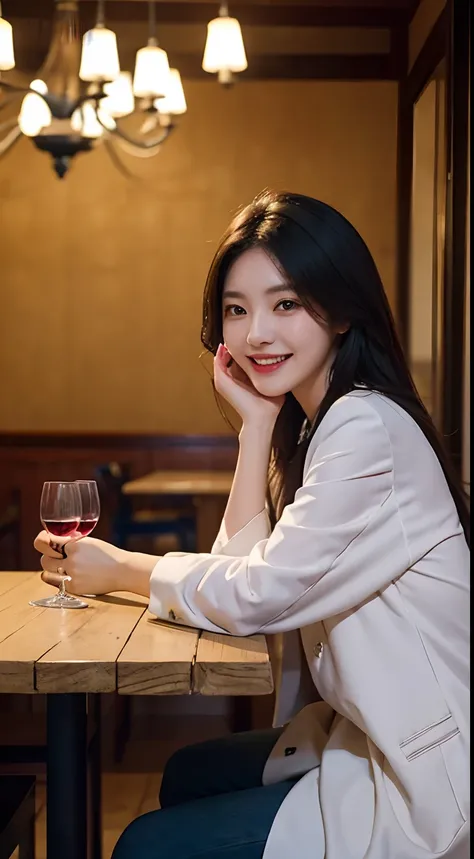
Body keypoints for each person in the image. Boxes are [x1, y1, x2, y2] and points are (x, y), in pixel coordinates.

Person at [35, 191, 470, 859]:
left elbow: (256, 596)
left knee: (147, 845)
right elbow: (245, 566)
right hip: (369, 735)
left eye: (285, 303)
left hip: (428, 773)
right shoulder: (322, 425)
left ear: (343, 309)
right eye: (237, 309)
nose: (256, 333)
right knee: (189, 773)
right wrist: (257, 427)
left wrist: (122, 566)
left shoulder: (366, 426)